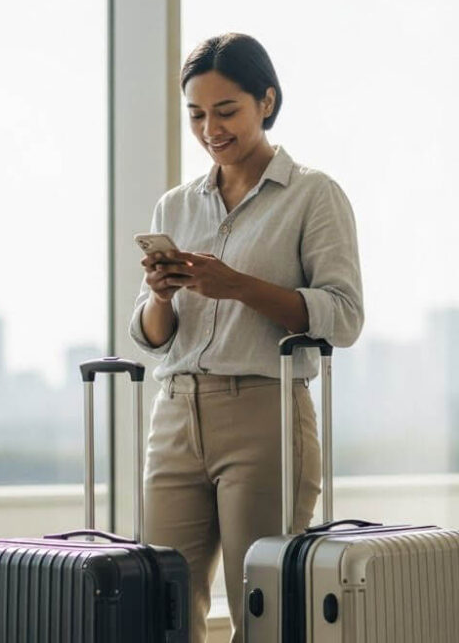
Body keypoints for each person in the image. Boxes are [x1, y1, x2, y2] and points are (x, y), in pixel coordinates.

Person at [129, 32, 364, 643]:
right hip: (175, 415)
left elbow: (343, 316)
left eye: (226, 110)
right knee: (160, 607)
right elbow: (154, 339)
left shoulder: (313, 195)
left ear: (266, 100)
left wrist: (237, 286)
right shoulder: (176, 205)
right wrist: (160, 295)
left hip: (263, 413)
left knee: (261, 611)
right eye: (197, 115)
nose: (211, 128)